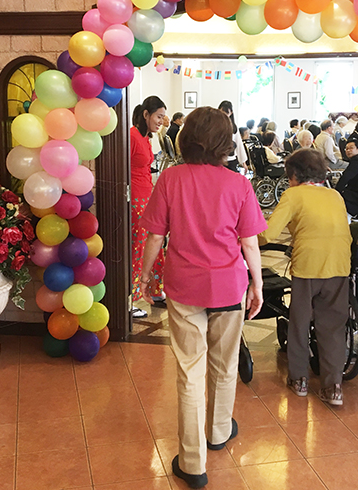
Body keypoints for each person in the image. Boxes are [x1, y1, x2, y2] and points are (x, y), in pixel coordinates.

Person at [139, 107, 266, 489]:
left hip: (184, 288)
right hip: (229, 286)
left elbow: (156, 237)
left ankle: (192, 463)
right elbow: (250, 242)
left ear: (186, 137)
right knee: (224, 365)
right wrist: (257, 284)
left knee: (189, 371)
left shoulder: (171, 179)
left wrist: (144, 275)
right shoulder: (239, 184)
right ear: (225, 143)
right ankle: (219, 431)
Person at [258, 149, 351, 404]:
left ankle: (299, 379)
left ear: (295, 175)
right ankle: (333, 387)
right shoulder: (335, 195)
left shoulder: (293, 194)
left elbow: (268, 233)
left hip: (308, 266)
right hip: (340, 265)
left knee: (299, 323)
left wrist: (243, 235)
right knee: (333, 327)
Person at [130, 96, 167, 318]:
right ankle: (132, 297)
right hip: (135, 198)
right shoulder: (133, 136)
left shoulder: (146, 138)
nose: (161, 121)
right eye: (158, 116)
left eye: (163, 117)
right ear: (146, 114)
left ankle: (154, 289)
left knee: (156, 243)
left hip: (147, 195)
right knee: (139, 247)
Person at [218, 101, 247, 173]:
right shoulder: (215, 127)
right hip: (218, 160)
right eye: (222, 112)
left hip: (231, 160)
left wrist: (243, 162)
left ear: (231, 113)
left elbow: (239, 144)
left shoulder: (233, 128)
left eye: (226, 113)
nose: (224, 115)